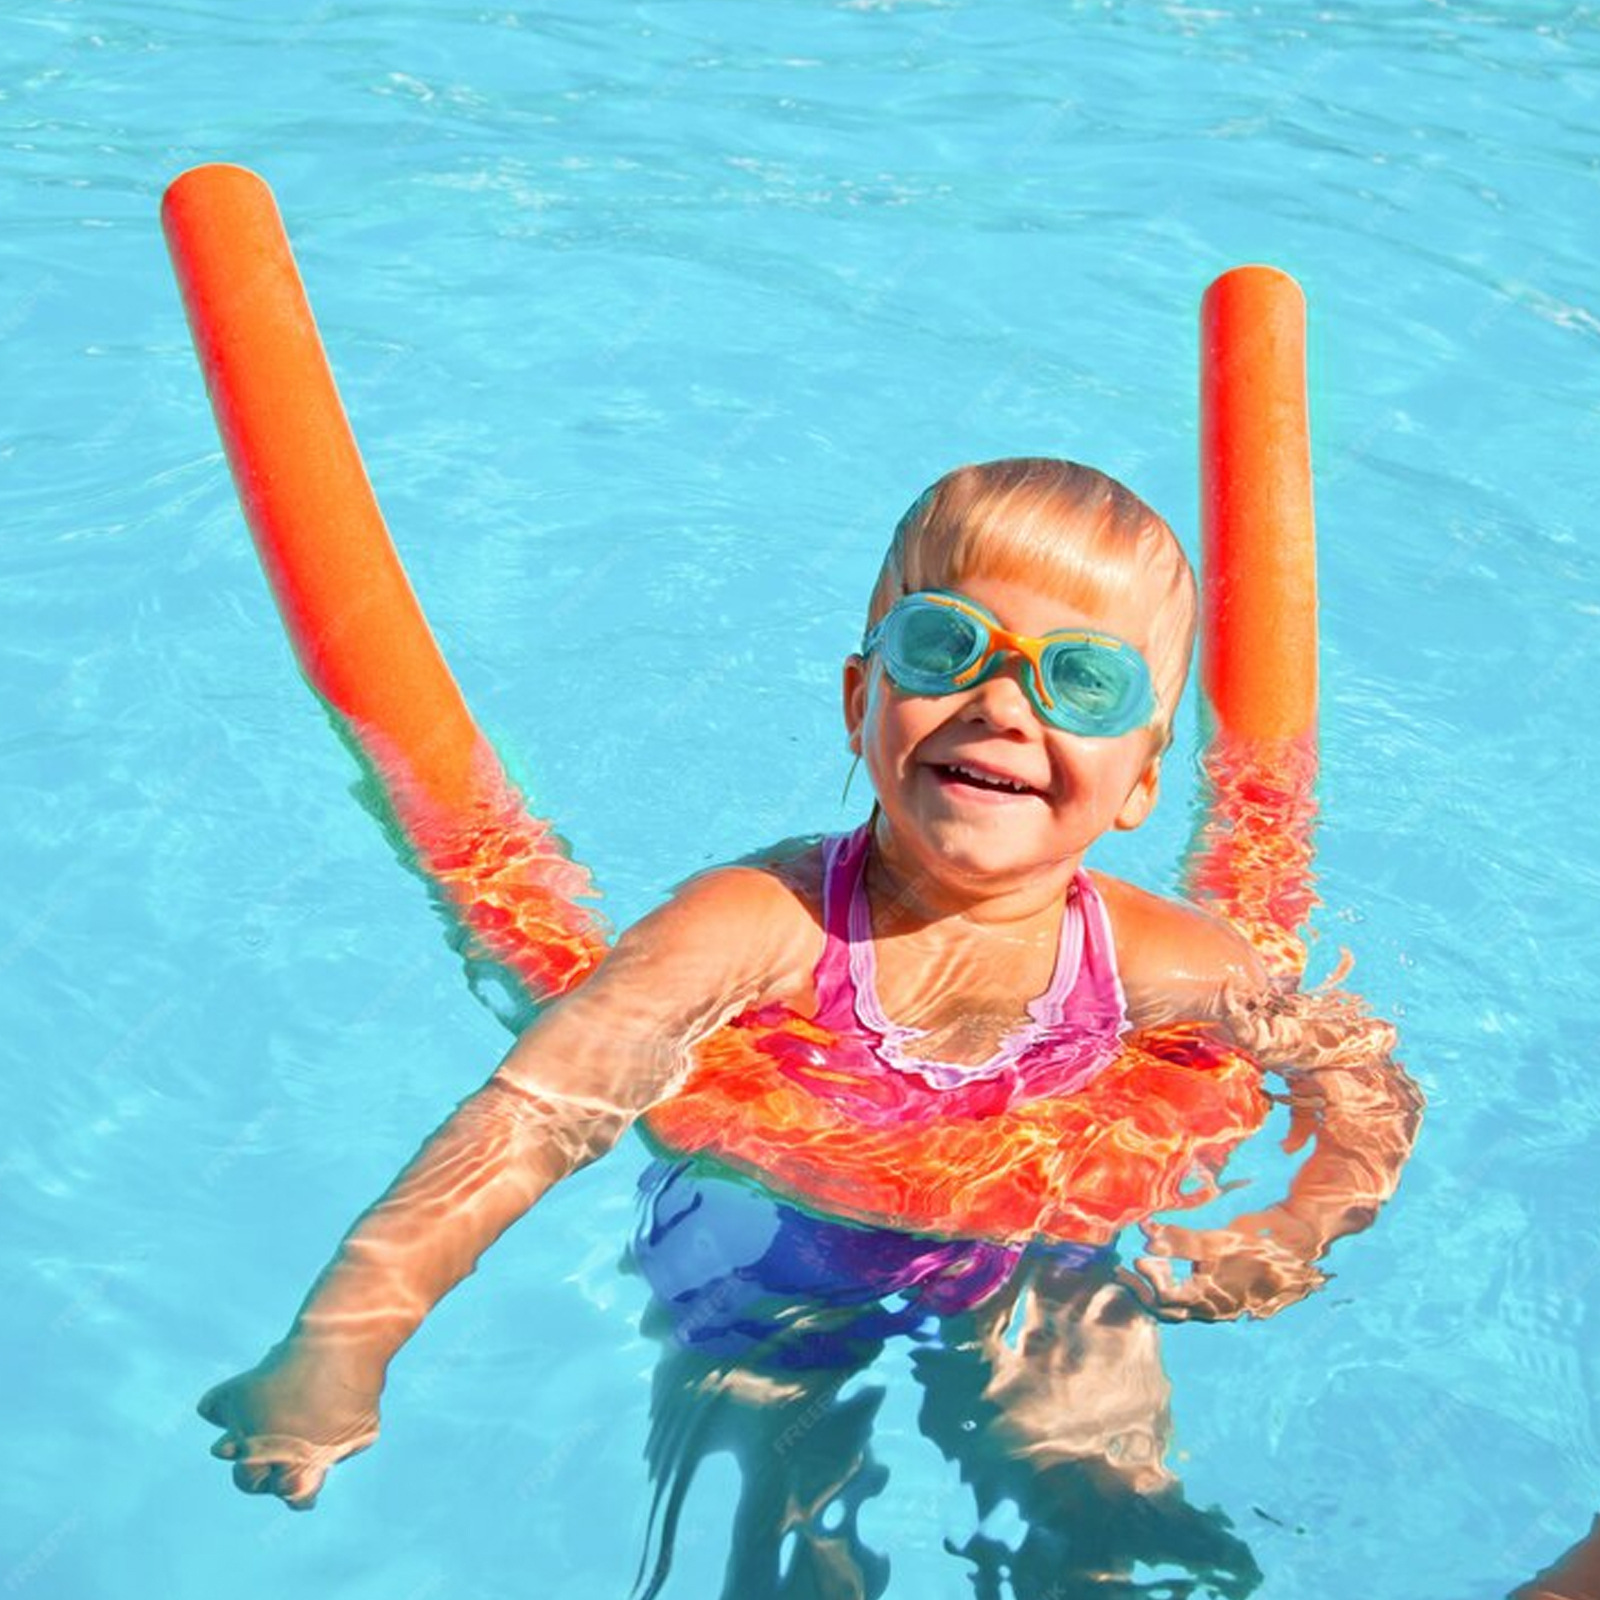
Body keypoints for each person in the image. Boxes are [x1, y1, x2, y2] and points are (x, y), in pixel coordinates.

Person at [199, 460, 1418, 1577]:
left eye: (1081, 678)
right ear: (859, 699)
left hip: (1031, 1264)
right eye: (948, 647)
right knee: (781, 1528)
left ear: (1144, 779)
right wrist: (344, 1344)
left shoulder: (1158, 957)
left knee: (1108, 1515)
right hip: (765, 1261)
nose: (1003, 705)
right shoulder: (758, 922)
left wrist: (1302, 1222)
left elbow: (1357, 1071)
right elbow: (531, 1112)